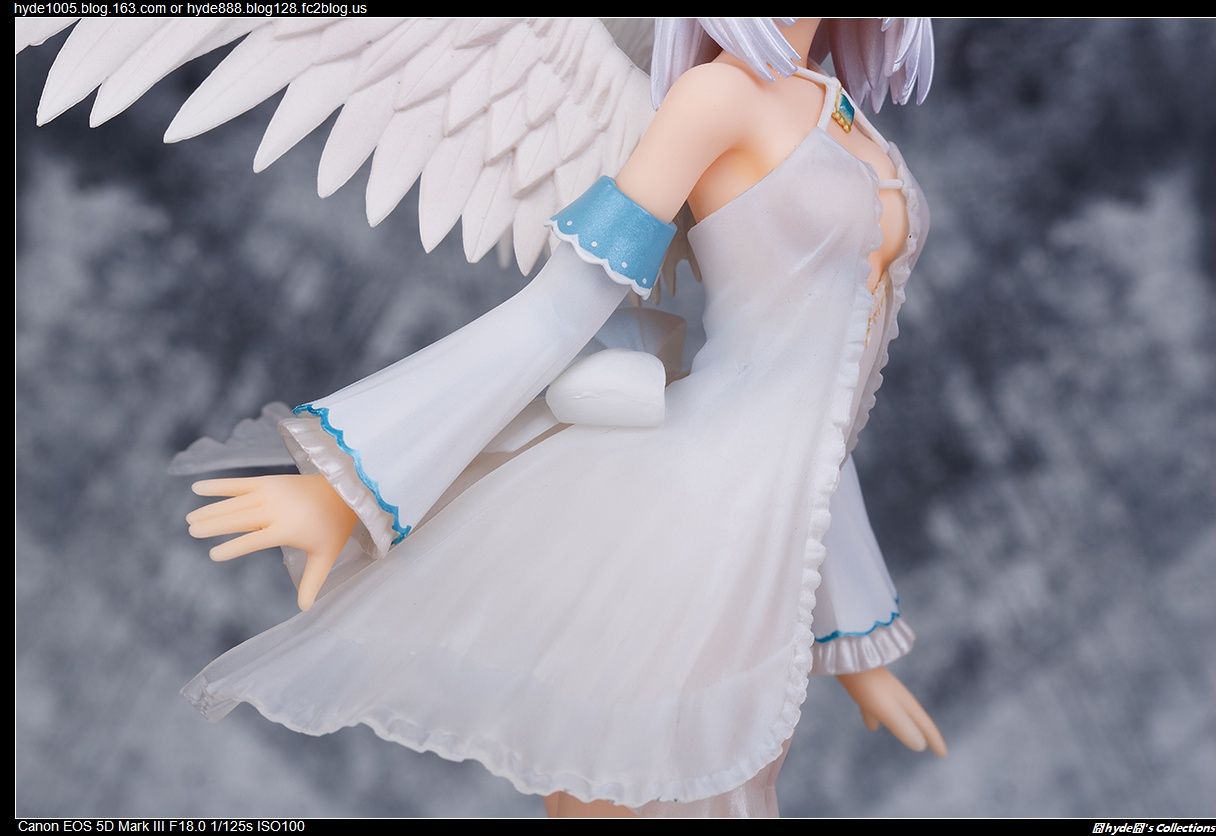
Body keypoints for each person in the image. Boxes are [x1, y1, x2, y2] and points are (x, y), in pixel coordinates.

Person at [176, 17, 947, 817]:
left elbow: (818, 415)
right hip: (677, 530)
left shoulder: (836, 108)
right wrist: (354, 480)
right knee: (631, 791)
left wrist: (858, 645)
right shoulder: (717, 98)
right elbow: (557, 311)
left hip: (762, 554)